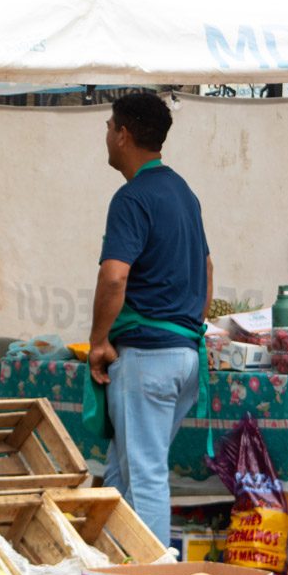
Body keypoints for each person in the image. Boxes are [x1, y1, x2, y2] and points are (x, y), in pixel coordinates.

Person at [87, 91, 213, 547]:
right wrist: (190, 326)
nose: (106, 135)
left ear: (123, 134)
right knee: (121, 470)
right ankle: (105, 567)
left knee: (144, 476)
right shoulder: (184, 192)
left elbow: (115, 276)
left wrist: (99, 339)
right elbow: (208, 266)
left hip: (147, 358)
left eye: (108, 127)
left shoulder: (131, 197)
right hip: (185, 355)